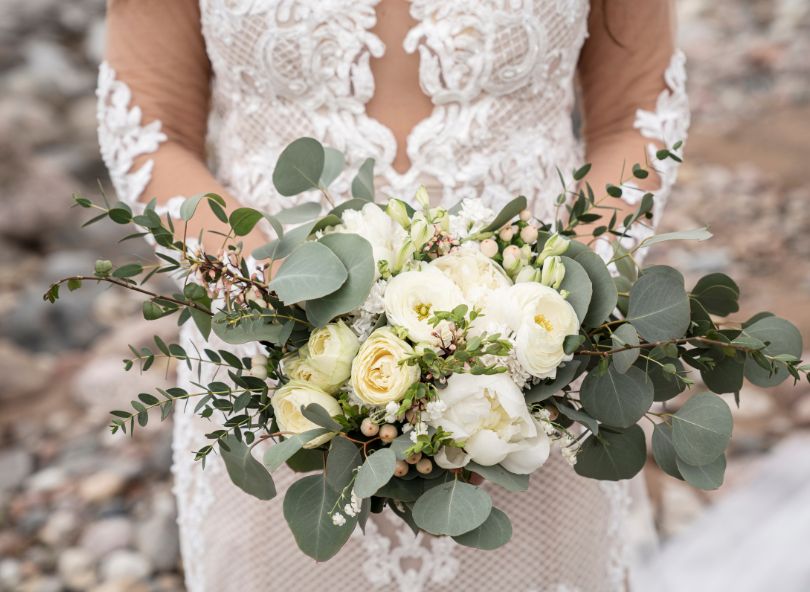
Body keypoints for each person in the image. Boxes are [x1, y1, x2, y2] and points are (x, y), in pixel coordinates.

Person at [97, 1, 688, 590]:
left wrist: (549, 325)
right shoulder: (272, 327)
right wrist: (278, 309)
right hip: (276, 380)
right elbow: (149, 132)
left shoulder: (543, 354)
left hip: (537, 385)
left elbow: (637, 122)